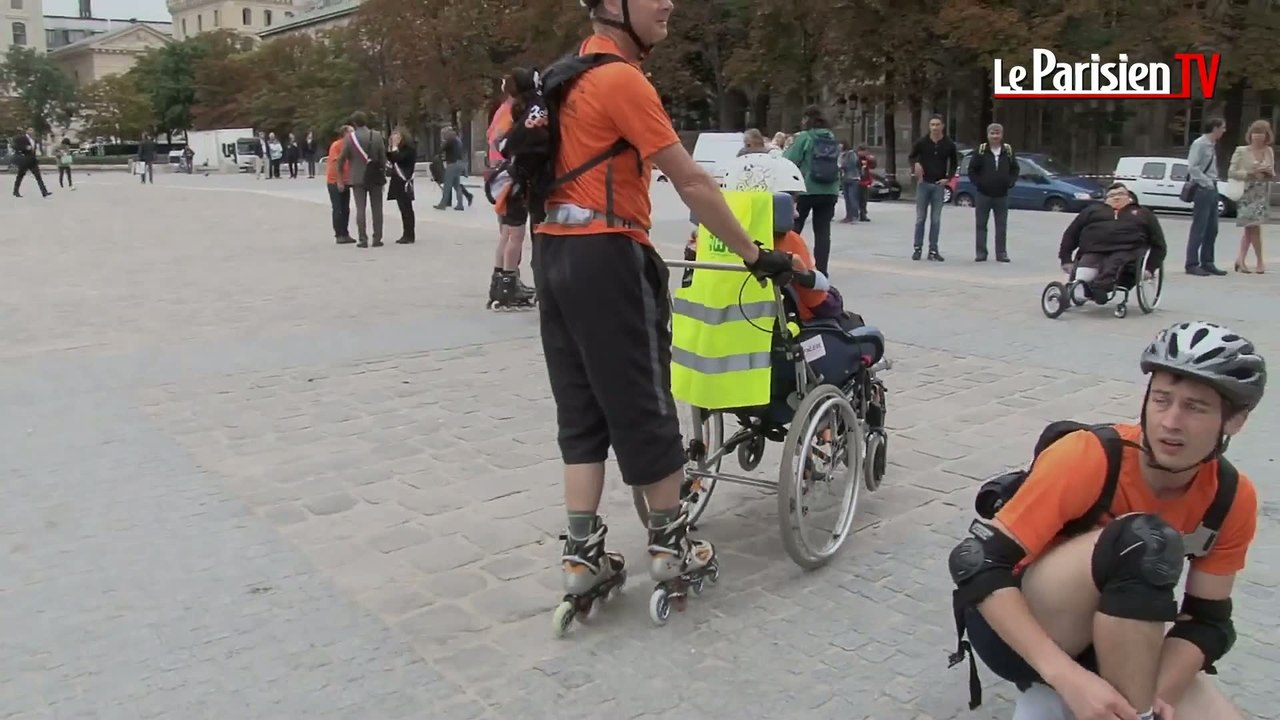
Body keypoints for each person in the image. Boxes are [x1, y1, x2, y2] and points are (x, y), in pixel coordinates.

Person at [535, 0, 795, 619]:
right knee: (645, 404)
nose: (669, 3)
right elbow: (693, 182)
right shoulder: (620, 78)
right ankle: (673, 545)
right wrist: (754, 253)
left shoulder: (557, 80)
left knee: (581, 410)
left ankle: (581, 556)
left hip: (552, 256)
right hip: (609, 255)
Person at [948, 320, 1265, 720]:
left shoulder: (1232, 497)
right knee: (1143, 540)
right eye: (1162, 399)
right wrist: (1066, 678)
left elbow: (1207, 621)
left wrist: (1156, 697)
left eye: (1195, 407)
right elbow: (974, 562)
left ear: (1234, 421)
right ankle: (1052, 691)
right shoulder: (1090, 455)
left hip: (1122, 635)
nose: (1170, 421)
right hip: (1020, 631)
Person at [1057, 182, 1166, 304]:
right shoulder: (1091, 211)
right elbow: (1071, 234)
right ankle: (1081, 287)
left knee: (1116, 261)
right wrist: (1065, 259)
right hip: (1094, 249)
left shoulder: (1143, 213)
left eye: (1121, 194)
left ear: (1129, 196)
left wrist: (1150, 267)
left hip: (1129, 249)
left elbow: (1159, 244)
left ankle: (1100, 288)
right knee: (1086, 267)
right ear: (1106, 199)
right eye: (1112, 195)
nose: (1116, 197)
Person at [484, 71, 537, 309]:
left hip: (500, 175)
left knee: (506, 233)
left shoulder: (501, 110)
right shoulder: (515, 111)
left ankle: (500, 281)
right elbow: (504, 140)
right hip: (511, 175)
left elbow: (491, 138)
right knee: (515, 235)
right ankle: (508, 282)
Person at [783, 104, 841, 275]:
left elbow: (790, 159)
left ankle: (792, 264)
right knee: (823, 232)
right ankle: (822, 271)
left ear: (807, 119)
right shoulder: (831, 138)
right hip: (830, 190)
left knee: (794, 229)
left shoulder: (805, 137)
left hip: (807, 190)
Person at [907, 114, 959, 261]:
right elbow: (912, 156)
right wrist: (916, 164)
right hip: (924, 184)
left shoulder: (948, 144)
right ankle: (917, 248)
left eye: (937, 125)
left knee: (935, 219)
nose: (934, 128)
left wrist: (948, 178)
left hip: (938, 185)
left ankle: (933, 250)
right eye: (932, 125)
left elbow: (954, 163)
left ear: (942, 126)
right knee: (920, 218)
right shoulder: (922, 142)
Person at [968, 123, 1019, 262]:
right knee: (981, 225)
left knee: (1001, 226)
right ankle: (981, 252)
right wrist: (979, 183)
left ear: (1001, 135)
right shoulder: (981, 150)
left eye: (997, 133)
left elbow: (1015, 168)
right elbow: (972, 170)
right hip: (983, 194)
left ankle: (1001, 253)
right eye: (992, 133)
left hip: (1001, 195)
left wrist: (1011, 181)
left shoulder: (1007, 150)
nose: (995, 136)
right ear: (988, 135)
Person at [336, 111, 388, 248]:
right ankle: (377, 238)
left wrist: (340, 178)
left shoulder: (349, 138)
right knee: (377, 209)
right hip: (375, 176)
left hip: (357, 177)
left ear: (354, 123)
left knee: (360, 209)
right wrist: (381, 174)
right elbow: (383, 158)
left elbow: (341, 160)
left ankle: (363, 239)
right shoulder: (376, 136)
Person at [1227, 119, 1273, 274]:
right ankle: (1259, 262)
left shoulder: (1268, 151)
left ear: (1267, 136)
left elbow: (1272, 174)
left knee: (1250, 229)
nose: (1257, 136)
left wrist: (1267, 171)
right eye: (1255, 133)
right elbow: (1231, 172)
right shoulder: (1241, 150)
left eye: (1261, 133)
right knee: (1254, 227)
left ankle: (1241, 260)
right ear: (1250, 134)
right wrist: (1249, 173)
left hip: (1260, 192)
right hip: (1246, 191)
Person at [1185, 118, 1228, 276]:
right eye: (1222, 128)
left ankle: (1208, 262)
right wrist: (1206, 182)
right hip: (1203, 189)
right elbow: (1192, 167)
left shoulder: (1212, 145)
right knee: (1199, 227)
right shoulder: (1200, 144)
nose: (1224, 131)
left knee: (1212, 228)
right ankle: (1192, 263)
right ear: (1215, 128)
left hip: (1212, 187)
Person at [386, 126, 417, 244]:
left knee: (407, 208)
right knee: (403, 208)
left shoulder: (408, 149)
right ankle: (406, 233)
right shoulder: (398, 149)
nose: (394, 138)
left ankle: (409, 234)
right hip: (398, 181)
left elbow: (397, 158)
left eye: (397, 136)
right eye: (393, 136)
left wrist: (394, 147)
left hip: (405, 180)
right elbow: (390, 158)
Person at [326, 125, 354, 244]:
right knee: (338, 208)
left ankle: (345, 232)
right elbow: (336, 164)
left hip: (347, 181)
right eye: (351, 132)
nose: (354, 134)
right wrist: (339, 181)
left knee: (346, 209)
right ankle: (339, 234)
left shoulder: (351, 146)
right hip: (335, 181)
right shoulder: (337, 145)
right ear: (345, 134)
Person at [11, 127, 50, 198]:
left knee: (38, 176)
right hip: (24, 160)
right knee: (20, 176)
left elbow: (34, 150)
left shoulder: (33, 140)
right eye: (30, 130)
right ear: (27, 131)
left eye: (32, 130)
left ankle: (44, 192)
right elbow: (15, 146)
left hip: (33, 161)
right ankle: (15, 191)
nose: (31, 131)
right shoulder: (22, 138)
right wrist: (25, 148)